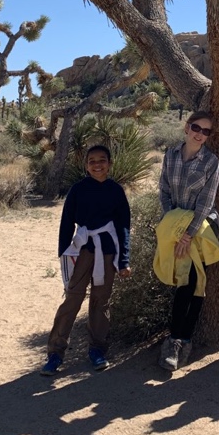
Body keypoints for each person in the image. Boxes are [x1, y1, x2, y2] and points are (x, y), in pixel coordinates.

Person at [40, 145, 131, 376]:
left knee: (101, 301)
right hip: (82, 251)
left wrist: (124, 260)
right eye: (92, 161)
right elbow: (66, 222)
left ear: (110, 163)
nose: (97, 165)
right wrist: (64, 253)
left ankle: (97, 350)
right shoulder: (78, 190)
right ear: (86, 165)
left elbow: (123, 227)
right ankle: (55, 353)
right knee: (72, 298)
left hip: (107, 252)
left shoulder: (116, 191)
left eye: (102, 160)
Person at [156, 111, 219, 372]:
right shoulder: (170, 156)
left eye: (206, 131)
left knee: (193, 282)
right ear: (187, 127)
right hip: (174, 225)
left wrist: (187, 233)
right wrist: (173, 224)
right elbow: (163, 190)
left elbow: (206, 202)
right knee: (180, 280)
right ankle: (178, 337)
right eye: (196, 128)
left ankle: (179, 340)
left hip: (200, 228)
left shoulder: (211, 162)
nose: (200, 134)